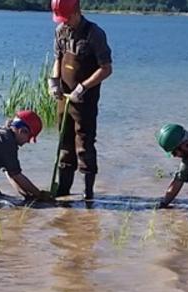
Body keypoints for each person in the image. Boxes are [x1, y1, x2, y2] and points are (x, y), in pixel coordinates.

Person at [48, 0, 112, 200]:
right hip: (64, 98)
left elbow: (106, 69)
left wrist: (83, 87)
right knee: (64, 143)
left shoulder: (95, 34)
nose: (64, 22)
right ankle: (64, 191)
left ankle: (87, 193)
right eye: (61, 19)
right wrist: (54, 82)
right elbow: (58, 59)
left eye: (66, 18)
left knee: (84, 145)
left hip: (86, 99)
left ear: (77, 12)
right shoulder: (60, 31)